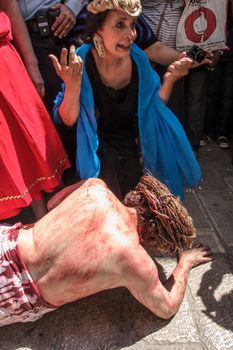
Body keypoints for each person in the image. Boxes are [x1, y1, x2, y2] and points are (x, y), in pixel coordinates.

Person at [0, 174, 213, 327]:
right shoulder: (135, 261)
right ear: (155, 239)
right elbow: (166, 309)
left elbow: (53, 204)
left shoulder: (95, 186)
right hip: (15, 294)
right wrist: (185, 262)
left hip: (8, 242)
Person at [51, 0, 201, 201]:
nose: (131, 34)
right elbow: (68, 119)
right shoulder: (81, 61)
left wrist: (170, 79)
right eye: (120, 24)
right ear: (98, 29)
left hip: (130, 149)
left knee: (140, 205)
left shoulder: (138, 60)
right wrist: (72, 86)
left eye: (133, 25)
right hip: (95, 151)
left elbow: (152, 109)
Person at [0, 4, 70, 220]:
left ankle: (47, 221)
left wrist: (31, 63)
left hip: (4, 62)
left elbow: (9, 6)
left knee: (25, 142)